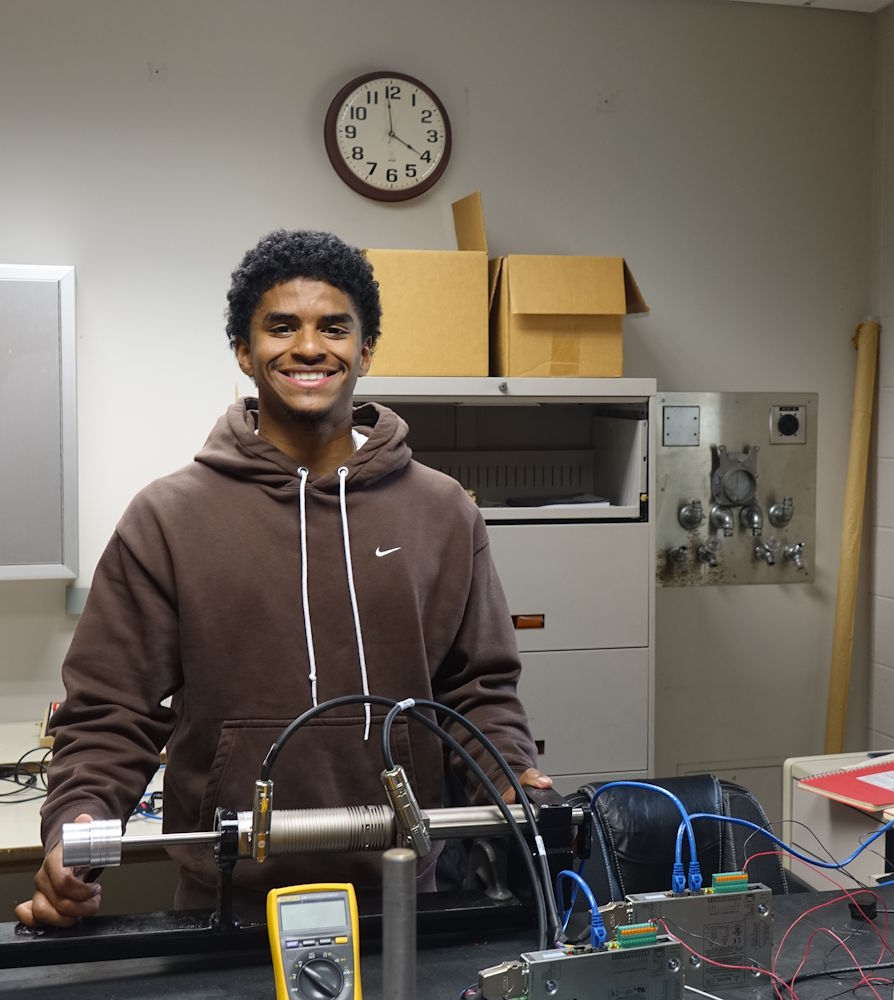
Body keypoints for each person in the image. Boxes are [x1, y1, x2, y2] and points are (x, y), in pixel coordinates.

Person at [15, 229, 550, 927]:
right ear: (244, 350)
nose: (307, 347)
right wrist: (76, 832)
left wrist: (509, 777)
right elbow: (112, 716)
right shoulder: (169, 517)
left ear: (365, 350)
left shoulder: (441, 510)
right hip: (226, 907)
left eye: (333, 327)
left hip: (407, 897)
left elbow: (477, 688)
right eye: (280, 327)